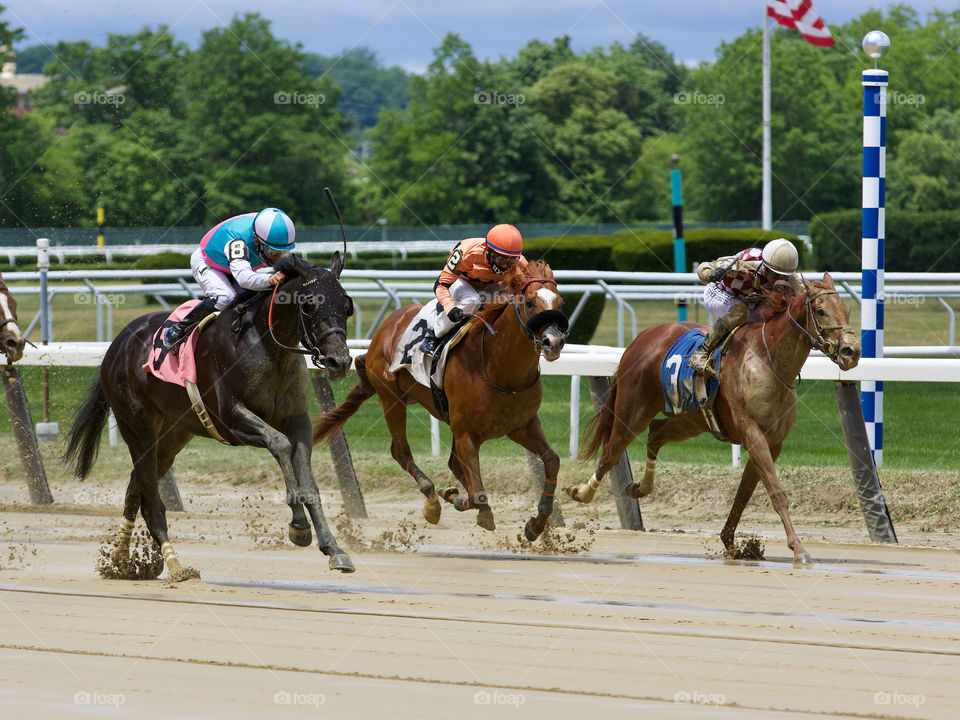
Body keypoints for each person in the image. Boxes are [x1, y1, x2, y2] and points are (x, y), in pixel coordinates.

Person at [161, 207, 295, 352]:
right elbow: (244, 278)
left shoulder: (269, 227)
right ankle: (177, 330)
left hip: (235, 265)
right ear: (256, 240)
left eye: (283, 252)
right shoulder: (237, 240)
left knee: (253, 299)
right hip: (208, 262)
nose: (278, 258)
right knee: (224, 298)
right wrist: (271, 278)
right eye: (273, 252)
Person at [687, 238, 801, 378]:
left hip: (747, 299)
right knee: (741, 311)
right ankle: (701, 352)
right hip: (719, 292)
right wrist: (710, 274)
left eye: (783, 276)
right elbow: (703, 268)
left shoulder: (789, 276)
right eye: (774, 274)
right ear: (765, 266)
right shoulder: (747, 262)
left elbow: (800, 302)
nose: (777, 279)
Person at [419, 223, 529, 359]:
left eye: (511, 261)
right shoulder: (466, 253)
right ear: (488, 251)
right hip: (461, 282)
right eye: (501, 260)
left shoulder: (521, 262)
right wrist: (450, 308)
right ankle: (433, 335)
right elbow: (440, 285)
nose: (505, 265)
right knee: (472, 299)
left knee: (507, 299)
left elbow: (531, 287)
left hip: (490, 285)